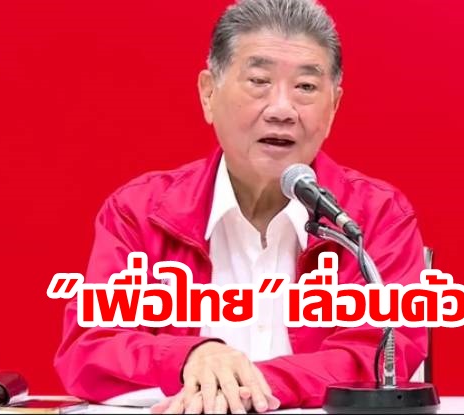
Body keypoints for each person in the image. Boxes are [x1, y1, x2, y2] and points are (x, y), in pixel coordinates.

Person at [54, 0, 428, 413]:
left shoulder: (373, 218)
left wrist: (249, 385)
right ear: (209, 94)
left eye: (306, 87)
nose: (282, 109)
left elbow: (382, 352)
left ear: (334, 106)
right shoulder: (141, 212)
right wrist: (191, 358)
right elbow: (91, 348)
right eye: (259, 81)